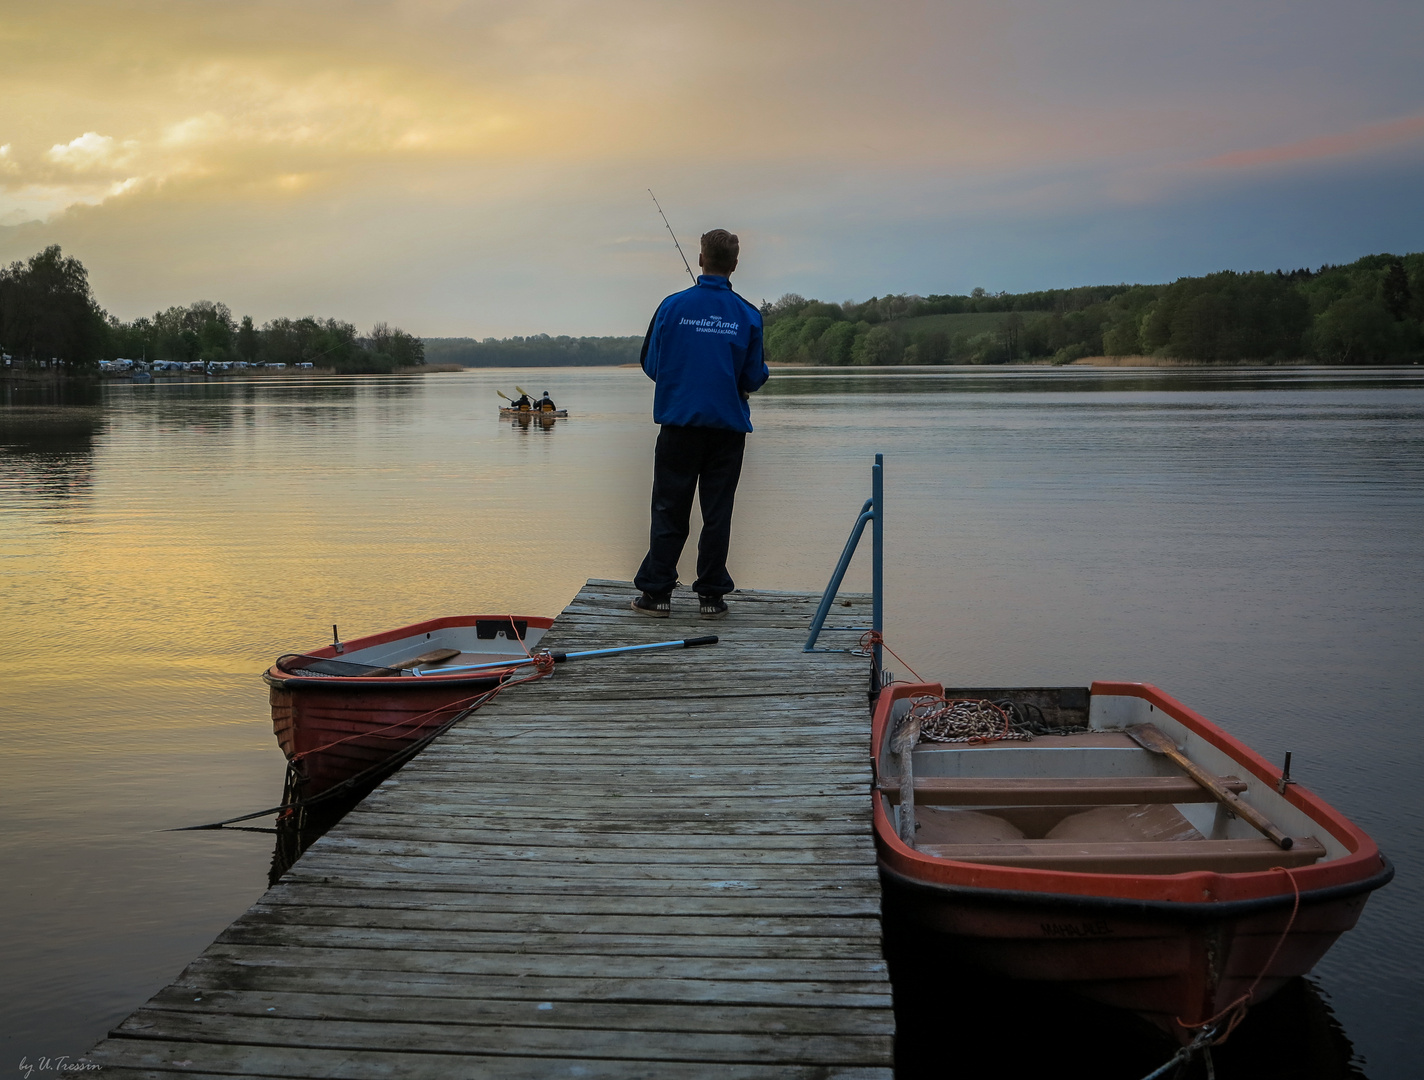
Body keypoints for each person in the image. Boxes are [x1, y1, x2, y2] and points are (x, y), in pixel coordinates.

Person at [632, 229, 768, 620]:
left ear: (701, 259)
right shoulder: (747, 314)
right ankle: (711, 596)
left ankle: (657, 594)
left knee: (668, 510)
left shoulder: (671, 307)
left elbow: (652, 365)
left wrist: (684, 381)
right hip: (726, 431)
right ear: (734, 265)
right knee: (717, 513)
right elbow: (753, 378)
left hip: (679, 427)